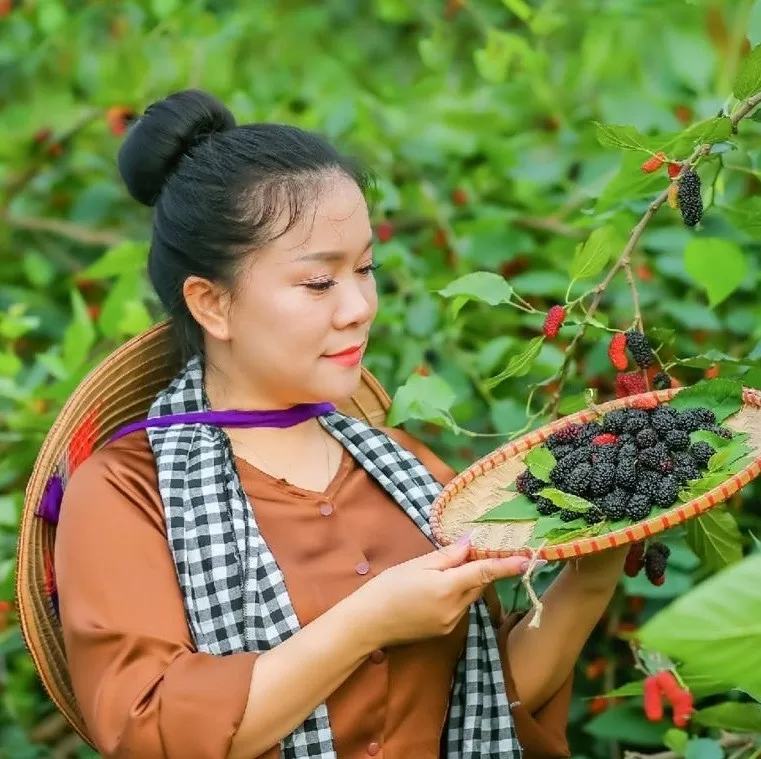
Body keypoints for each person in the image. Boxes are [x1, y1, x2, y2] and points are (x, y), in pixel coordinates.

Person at [53, 89, 628, 759]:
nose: (358, 306)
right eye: (318, 283)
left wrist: (595, 561)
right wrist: (367, 621)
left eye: (364, 269)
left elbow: (488, 698)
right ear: (212, 303)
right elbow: (146, 732)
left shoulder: (406, 468)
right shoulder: (125, 495)